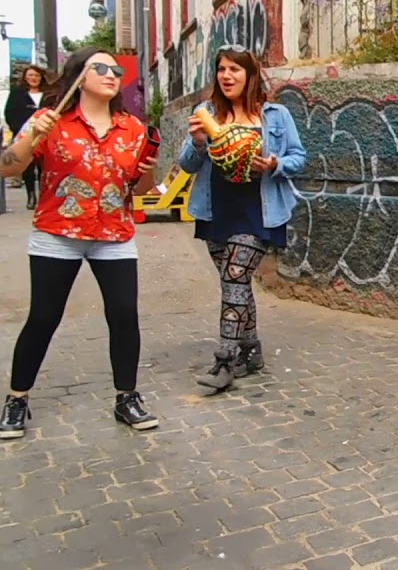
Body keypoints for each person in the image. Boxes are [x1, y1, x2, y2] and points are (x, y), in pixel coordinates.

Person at [0, 47, 160, 439]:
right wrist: (28, 139)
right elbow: (10, 166)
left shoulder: (133, 128)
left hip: (113, 233)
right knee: (43, 317)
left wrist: (146, 172)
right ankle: (17, 399)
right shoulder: (49, 120)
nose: (111, 74)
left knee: (124, 315)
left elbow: (139, 189)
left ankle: (127, 397)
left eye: (115, 69)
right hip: (59, 231)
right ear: (78, 76)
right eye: (99, 68)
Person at [179, 45, 307, 392]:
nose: (227, 76)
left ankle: (225, 360)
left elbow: (299, 157)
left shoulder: (275, 115)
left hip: (259, 212)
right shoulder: (206, 112)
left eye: (235, 69)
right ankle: (251, 351)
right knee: (234, 285)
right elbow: (187, 165)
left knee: (235, 279)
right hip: (215, 209)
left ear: (250, 75)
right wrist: (199, 143)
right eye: (222, 69)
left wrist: (275, 164)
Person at [5, 65, 50, 209]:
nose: (34, 78)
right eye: (30, 75)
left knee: (45, 167)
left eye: (36, 76)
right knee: (28, 168)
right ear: (25, 77)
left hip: (46, 136)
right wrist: (20, 131)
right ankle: (31, 196)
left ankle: (44, 196)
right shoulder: (17, 93)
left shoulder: (48, 93)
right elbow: (9, 113)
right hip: (25, 135)